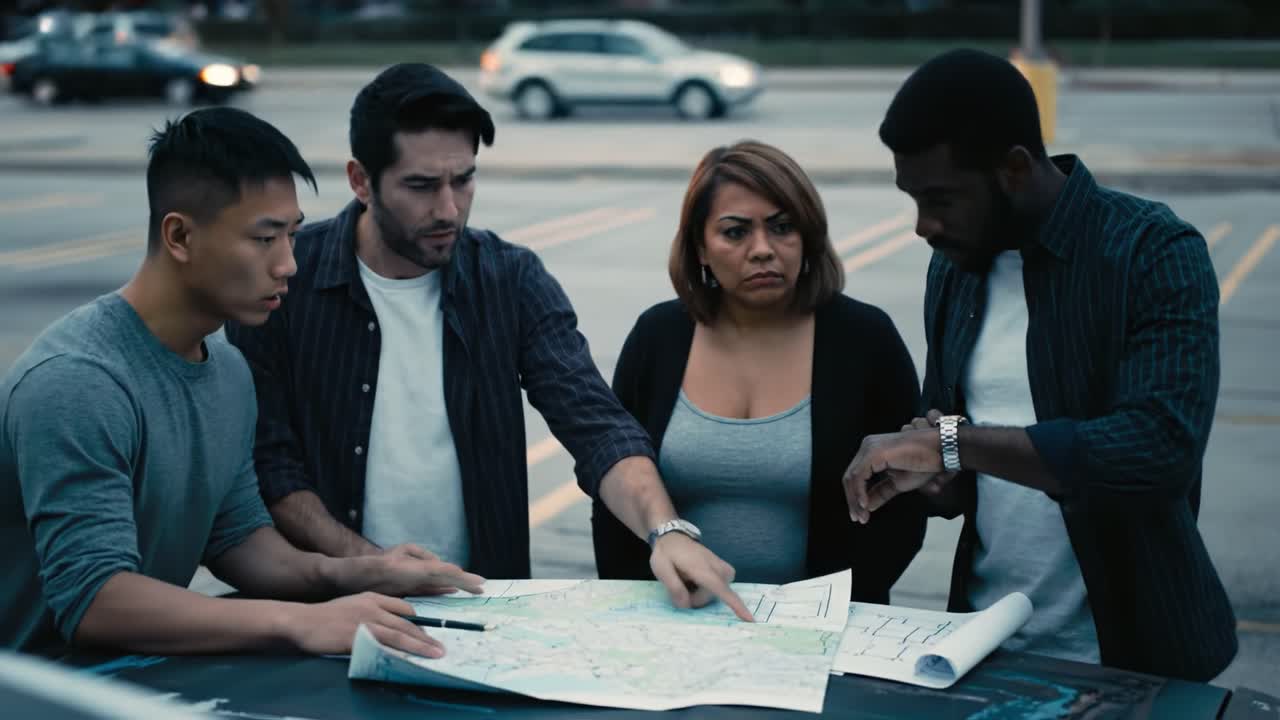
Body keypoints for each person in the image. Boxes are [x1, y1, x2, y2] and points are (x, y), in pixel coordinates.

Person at [224, 63, 752, 620]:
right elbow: (269, 464)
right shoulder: (287, 280)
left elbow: (594, 421)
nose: (448, 209)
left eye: (464, 180)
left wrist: (666, 530)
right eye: (421, 186)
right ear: (360, 180)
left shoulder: (509, 279)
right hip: (326, 613)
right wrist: (369, 564)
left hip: (484, 611)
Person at [0, 107, 480, 659]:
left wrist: (360, 572)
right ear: (180, 236)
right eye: (264, 239)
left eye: (292, 235)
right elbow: (94, 601)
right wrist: (300, 622)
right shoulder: (78, 382)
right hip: (36, 687)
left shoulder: (228, 370)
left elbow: (237, 539)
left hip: (137, 679)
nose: (288, 264)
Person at [841, 49, 1236, 681]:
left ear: (1016, 169)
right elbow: (959, 452)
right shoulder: (955, 269)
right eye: (913, 199)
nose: (923, 225)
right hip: (983, 649)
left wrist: (953, 446)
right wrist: (937, 477)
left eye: (941, 199)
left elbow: (1159, 449)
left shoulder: (1152, 250)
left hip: (1135, 662)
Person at [594, 141, 927, 597]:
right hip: (672, 618)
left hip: (828, 622)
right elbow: (612, 485)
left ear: (808, 236)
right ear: (700, 248)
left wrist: (831, 607)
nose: (763, 250)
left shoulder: (865, 337)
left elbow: (903, 503)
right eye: (735, 232)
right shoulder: (658, 336)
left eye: (783, 228)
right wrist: (641, 602)